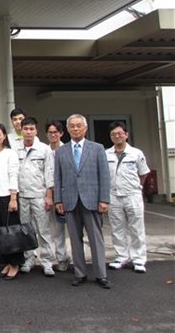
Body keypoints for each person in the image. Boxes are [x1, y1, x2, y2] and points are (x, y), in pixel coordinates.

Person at [54, 114, 111, 289]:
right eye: (72, 126)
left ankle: (101, 274)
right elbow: (58, 177)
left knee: (95, 239)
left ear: (85, 128)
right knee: (75, 239)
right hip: (70, 200)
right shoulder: (61, 151)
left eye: (79, 126)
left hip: (92, 199)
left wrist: (104, 199)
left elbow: (104, 176)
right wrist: (58, 200)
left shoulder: (97, 148)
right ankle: (80, 273)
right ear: (68, 129)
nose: (76, 129)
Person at [106, 121, 150, 273]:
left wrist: (137, 187)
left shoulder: (136, 153)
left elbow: (143, 173)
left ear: (126, 135)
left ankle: (139, 259)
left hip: (132, 195)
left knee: (136, 228)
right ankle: (121, 256)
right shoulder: (106, 154)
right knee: (117, 228)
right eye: (113, 134)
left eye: (120, 133)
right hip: (113, 195)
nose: (117, 136)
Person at [16, 117, 57, 277]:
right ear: (21, 130)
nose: (28, 132)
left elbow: (49, 174)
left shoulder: (44, 149)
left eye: (31, 129)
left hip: (39, 196)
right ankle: (29, 259)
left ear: (36, 131)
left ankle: (47, 262)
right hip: (22, 196)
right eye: (25, 129)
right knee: (25, 230)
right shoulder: (15, 148)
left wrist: (49, 196)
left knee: (43, 230)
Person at [0, 123, 23, 280]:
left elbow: (13, 175)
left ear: (4, 136)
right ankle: (6, 262)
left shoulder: (10, 153)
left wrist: (13, 198)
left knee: (11, 231)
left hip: (7, 195)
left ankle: (15, 263)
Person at [45, 119, 70, 272]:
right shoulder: (44, 150)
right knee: (51, 229)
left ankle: (63, 258)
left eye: (56, 132)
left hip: (65, 195)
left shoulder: (67, 150)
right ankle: (53, 258)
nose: (53, 135)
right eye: (50, 132)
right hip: (48, 194)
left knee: (64, 228)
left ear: (61, 133)